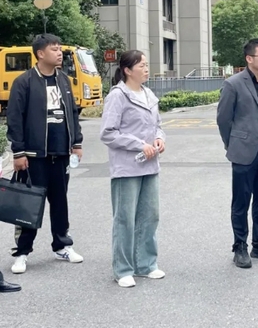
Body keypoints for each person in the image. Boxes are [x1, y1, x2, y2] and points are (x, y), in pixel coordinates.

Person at [6, 34, 84, 274]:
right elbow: (14, 118)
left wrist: (76, 142)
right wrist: (18, 152)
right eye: (54, 49)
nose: (59, 53)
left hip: (60, 153)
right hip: (33, 155)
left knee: (60, 202)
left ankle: (62, 245)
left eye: (60, 49)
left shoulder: (63, 80)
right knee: (30, 204)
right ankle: (22, 252)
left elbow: (73, 113)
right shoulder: (25, 81)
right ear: (40, 54)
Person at [100, 50, 166, 288]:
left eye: (147, 64)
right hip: (127, 167)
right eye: (141, 66)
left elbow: (158, 125)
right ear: (127, 70)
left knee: (150, 215)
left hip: (150, 165)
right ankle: (123, 269)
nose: (146, 69)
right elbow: (108, 133)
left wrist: (159, 139)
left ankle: (145, 264)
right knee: (125, 219)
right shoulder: (118, 96)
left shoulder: (149, 94)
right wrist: (139, 144)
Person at [217, 38, 258, 268]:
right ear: (249, 58)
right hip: (244, 150)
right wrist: (233, 144)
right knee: (241, 201)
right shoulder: (233, 84)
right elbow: (223, 119)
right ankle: (240, 246)